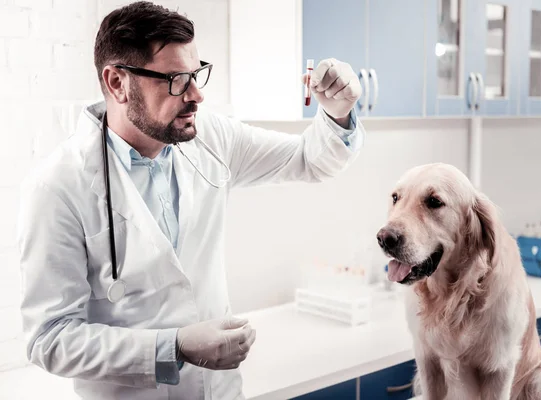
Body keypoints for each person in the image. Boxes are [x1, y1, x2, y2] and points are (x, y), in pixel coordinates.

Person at [17, 1, 365, 399]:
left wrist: (339, 113)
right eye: (176, 79)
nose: (196, 94)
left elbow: (309, 160)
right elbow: (50, 338)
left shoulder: (211, 138)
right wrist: (174, 347)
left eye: (197, 74)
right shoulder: (57, 187)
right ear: (117, 83)